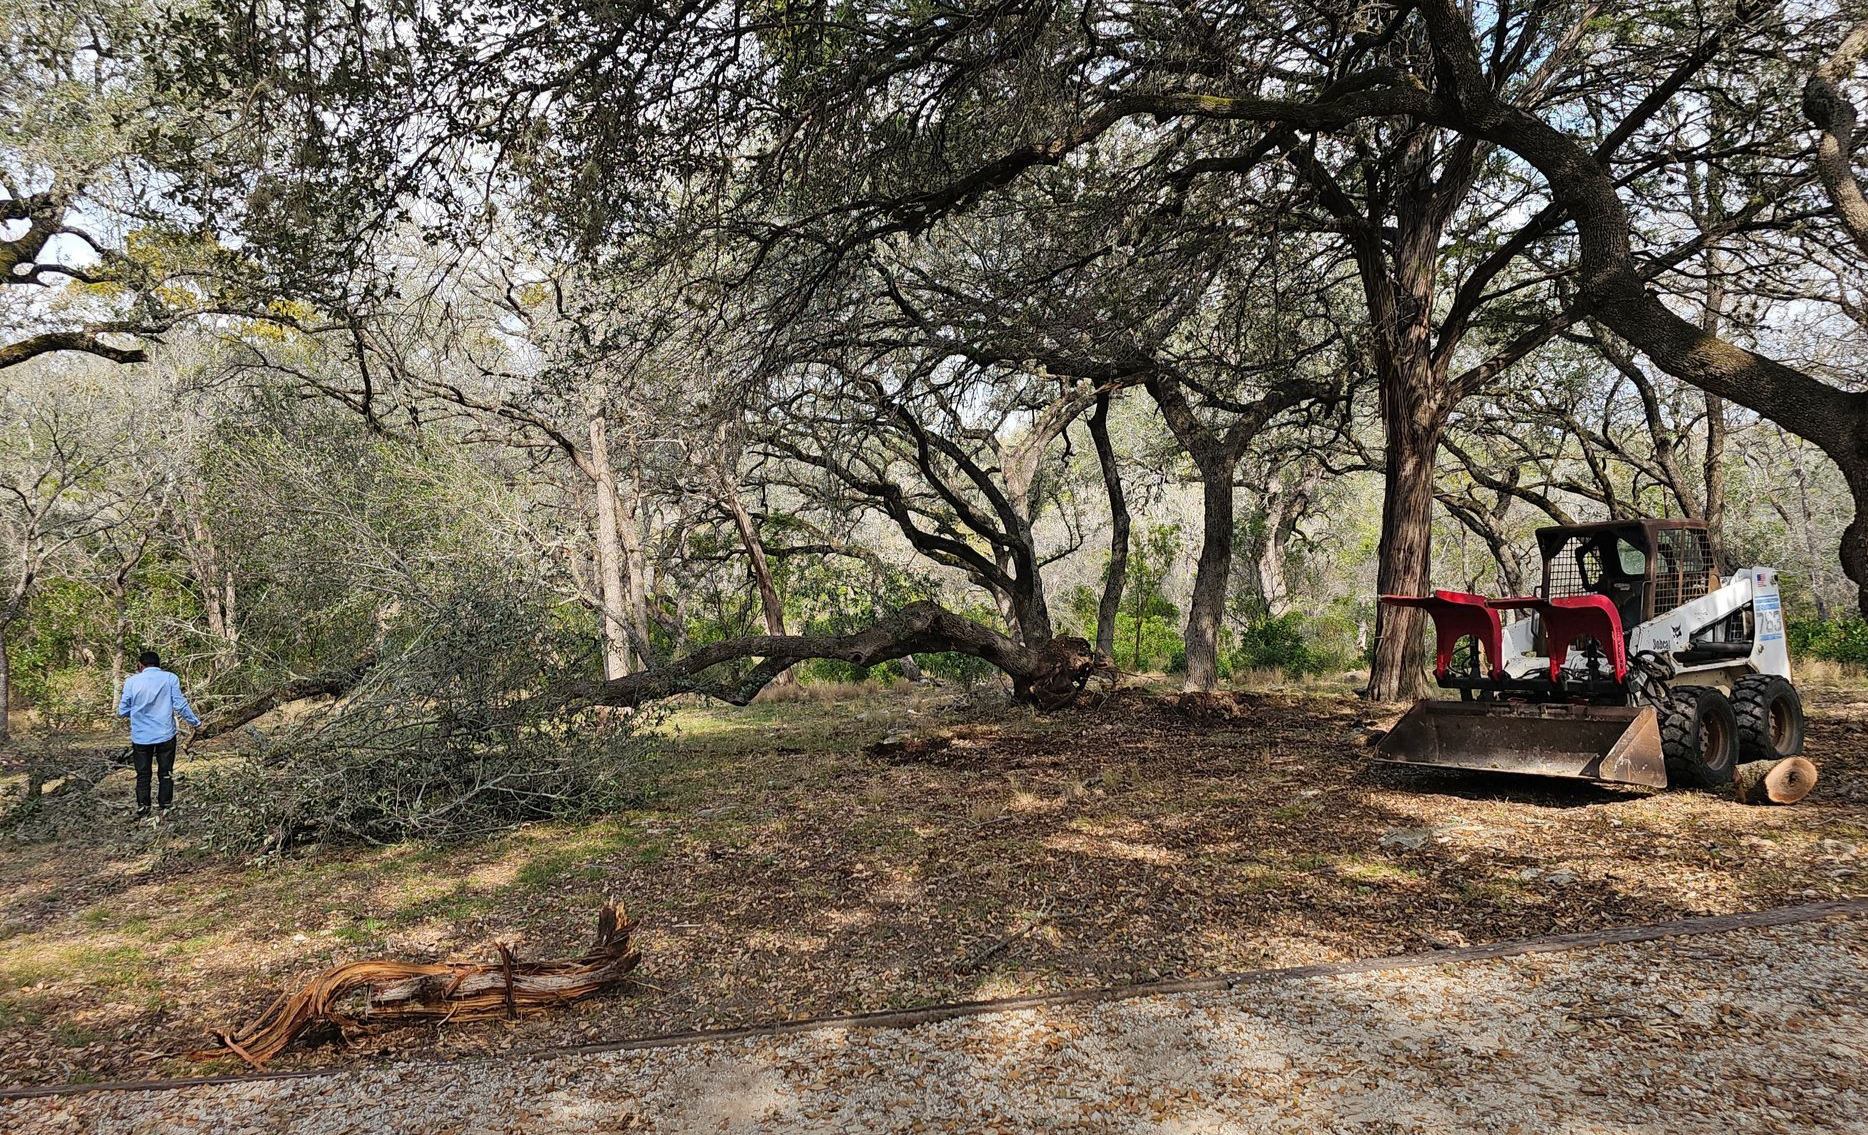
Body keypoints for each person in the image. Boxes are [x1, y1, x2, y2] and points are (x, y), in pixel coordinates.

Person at [116, 650, 202, 818]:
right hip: (165, 734)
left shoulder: (131, 682)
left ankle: (143, 807)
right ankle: (165, 806)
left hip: (141, 736)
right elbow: (180, 705)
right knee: (166, 772)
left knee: (143, 774)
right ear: (158, 664)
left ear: (140, 665)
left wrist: (137, 712)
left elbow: (123, 710)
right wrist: (196, 724)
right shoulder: (170, 678)